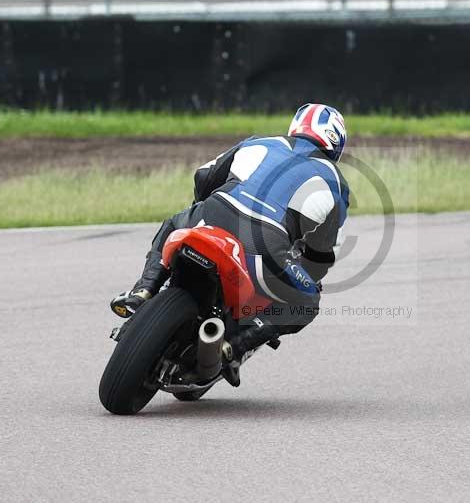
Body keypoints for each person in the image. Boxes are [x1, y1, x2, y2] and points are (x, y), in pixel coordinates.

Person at [110, 103, 350, 387]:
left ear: (296, 126)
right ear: (336, 143)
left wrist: (207, 206)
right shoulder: (336, 182)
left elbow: (203, 176)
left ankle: (143, 290)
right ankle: (234, 347)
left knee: (174, 222)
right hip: (265, 242)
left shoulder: (259, 142)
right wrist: (302, 275)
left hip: (213, 212)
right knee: (307, 301)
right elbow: (319, 255)